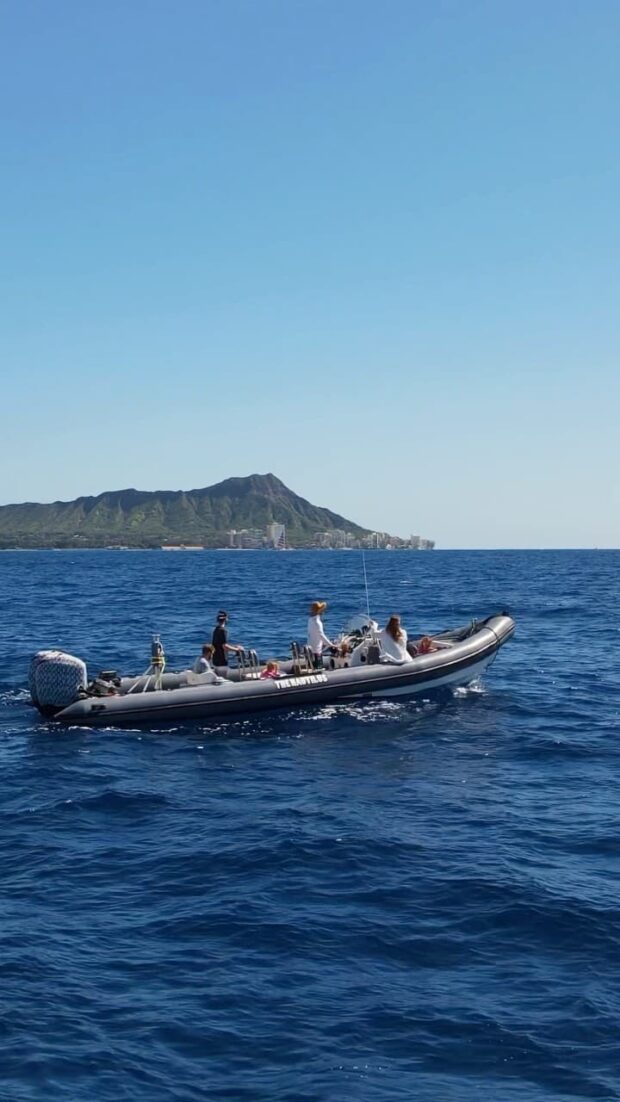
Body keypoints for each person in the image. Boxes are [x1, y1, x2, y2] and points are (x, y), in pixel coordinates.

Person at [307, 600, 334, 669]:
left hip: (310, 646)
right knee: (318, 668)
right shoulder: (317, 622)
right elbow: (321, 635)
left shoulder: (310, 620)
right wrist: (331, 645)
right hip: (317, 650)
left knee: (312, 667)